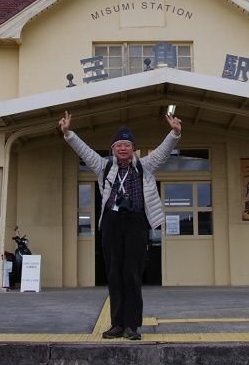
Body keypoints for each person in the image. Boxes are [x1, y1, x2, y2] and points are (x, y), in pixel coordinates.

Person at [58, 110, 182, 341]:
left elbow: (164, 152)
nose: (123, 148)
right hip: (112, 222)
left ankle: (132, 326)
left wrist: (174, 133)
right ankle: (117, 324)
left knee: (132, 275)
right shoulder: (103, 167)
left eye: (127, 144)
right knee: (114, 274)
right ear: (113, 149)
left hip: (136, 222)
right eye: (119, 145)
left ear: (133, 148)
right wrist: (68, 133)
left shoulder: (145, 166)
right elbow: (84, 151)